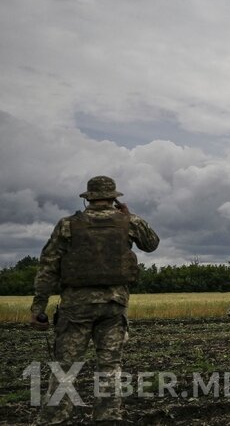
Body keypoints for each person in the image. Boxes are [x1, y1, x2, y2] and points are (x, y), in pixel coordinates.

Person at [29, 175, 159, 424]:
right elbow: (151, 244)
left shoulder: (67, 225)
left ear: (88, 198)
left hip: (76, 306)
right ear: (113, 198)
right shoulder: (128, 221)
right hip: (114, 305)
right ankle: (108, 416)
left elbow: (48, 266)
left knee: (65, 365)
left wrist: (38, 307)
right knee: (109, 365)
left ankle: (55, 418)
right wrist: (130, 214)